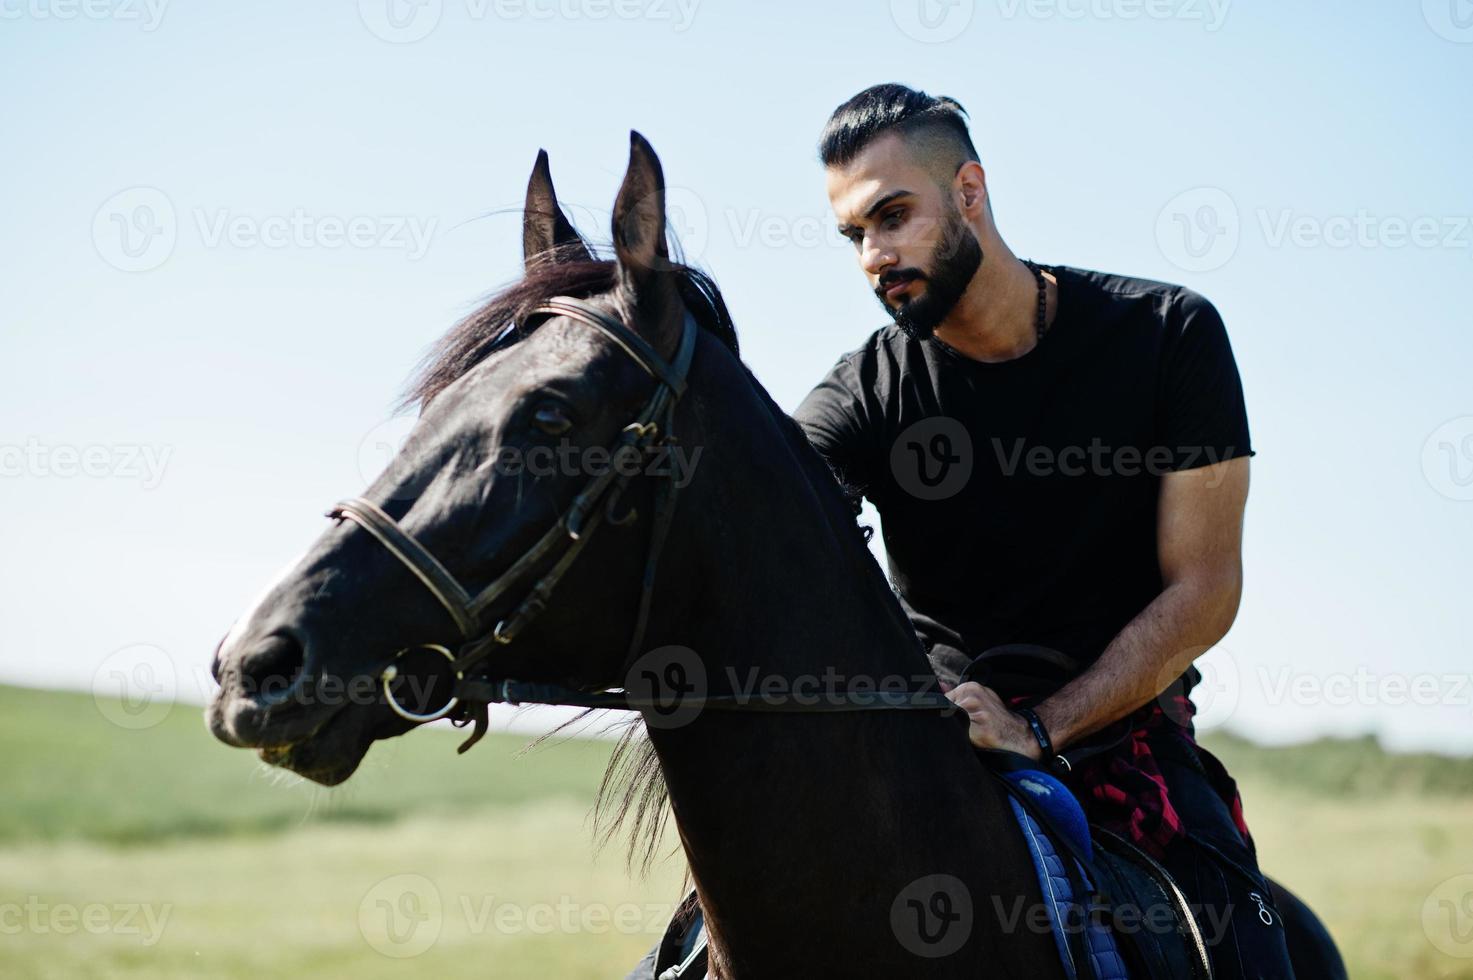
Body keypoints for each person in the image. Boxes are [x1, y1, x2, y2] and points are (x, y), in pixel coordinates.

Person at [789, 83, 1295, 979]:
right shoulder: (862, 394)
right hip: (933, 738)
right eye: (854, 236)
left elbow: (1205, 589)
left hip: (1125, 735)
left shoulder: (1167, 335)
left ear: (970, 192)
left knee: (1247, 946)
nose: (874, 255)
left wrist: (1041, 726)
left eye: (892, 216)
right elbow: (771, 512)